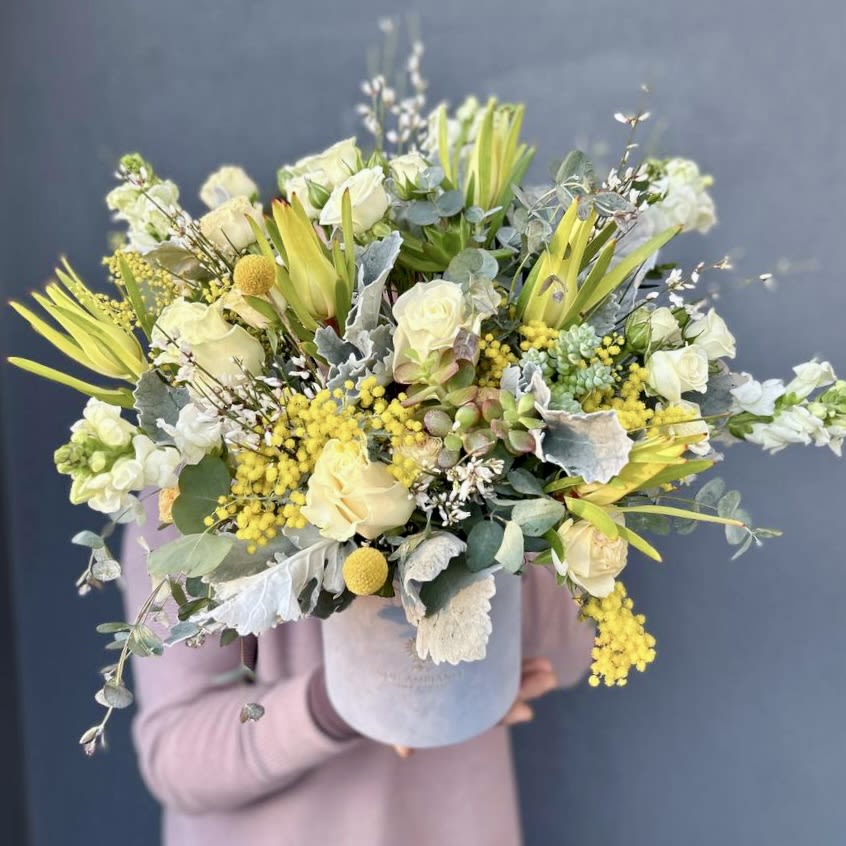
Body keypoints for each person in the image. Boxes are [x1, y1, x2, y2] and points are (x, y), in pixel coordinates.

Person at [121, 494, 594, 846]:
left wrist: (512, 512)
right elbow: (174, 756)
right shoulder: (190, 500)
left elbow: (570, 655)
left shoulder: (501, 441)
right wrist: (348, 699)